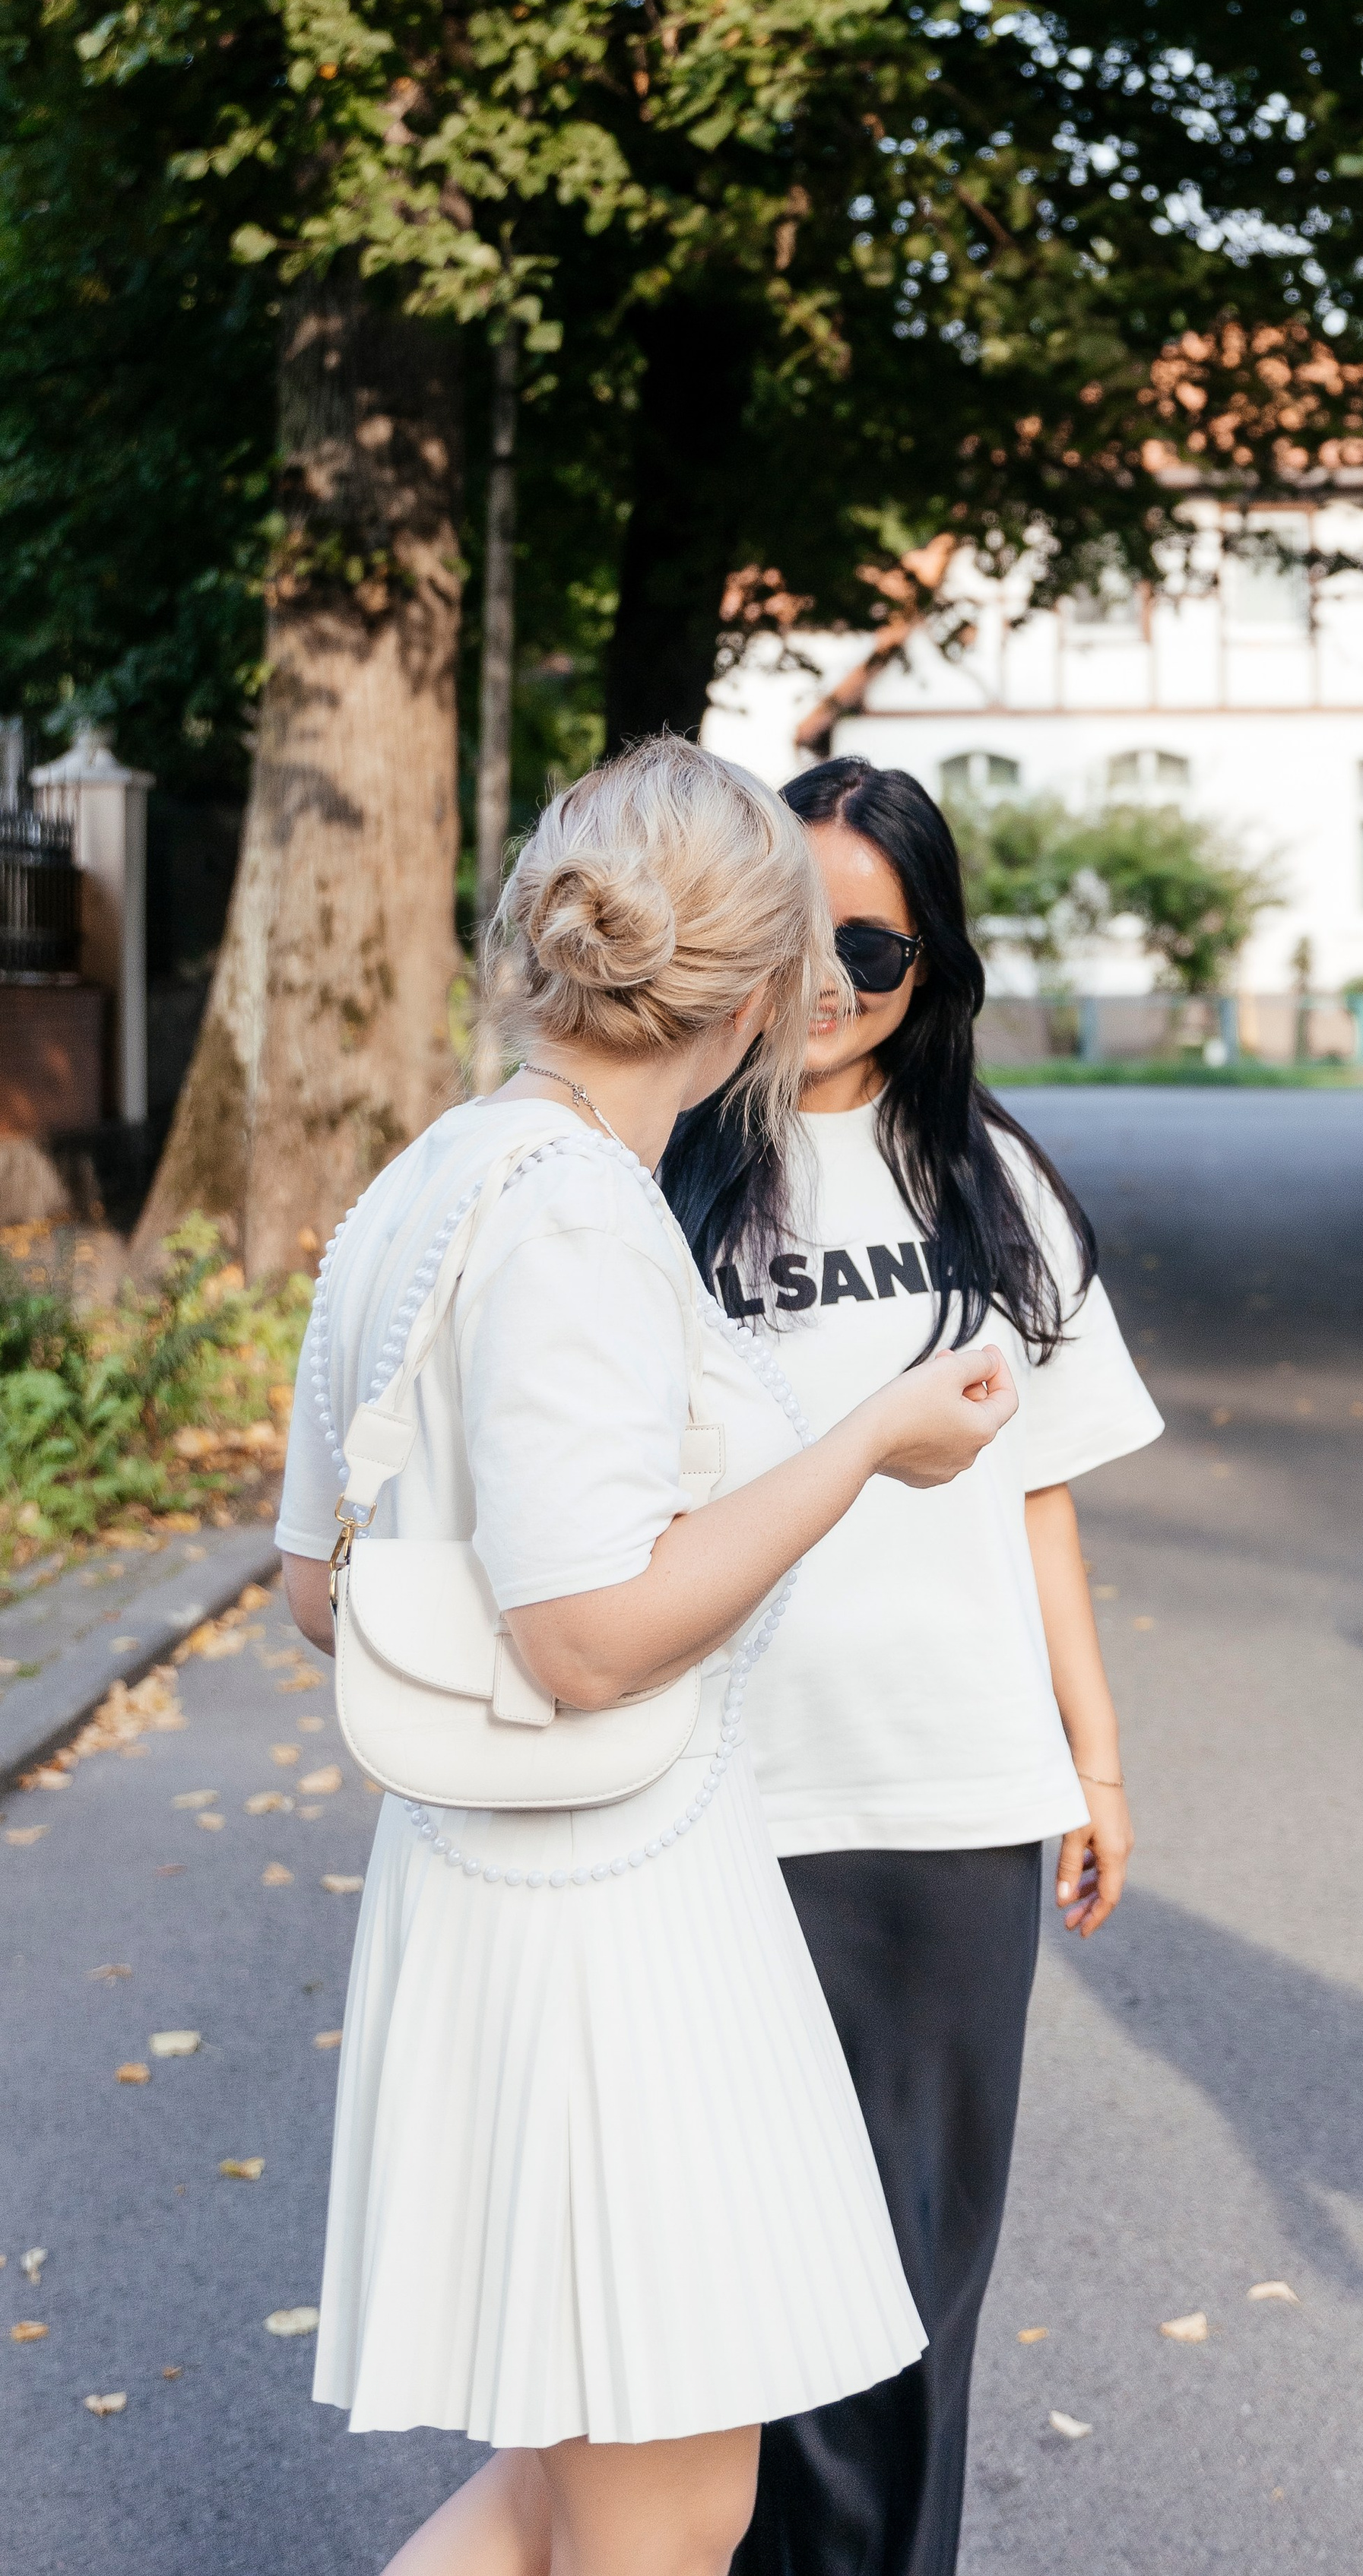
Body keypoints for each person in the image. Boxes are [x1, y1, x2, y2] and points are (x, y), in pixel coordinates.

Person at [276, 737, 1022, 2576]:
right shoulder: (580, 1217)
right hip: (614, 1931)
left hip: (491, 1902)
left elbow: (317, 1583)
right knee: (665, 2514)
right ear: (762, 986)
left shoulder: (422, 1187)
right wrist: (859, 1446)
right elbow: (589, 1633)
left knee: (566, 2495)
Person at [662, 756, 1162, 2576]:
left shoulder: (985, 1174)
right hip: (708, 1794)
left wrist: (1091, 1766)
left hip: (947, 1798)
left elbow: (1035, 1498)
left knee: (909, 2295)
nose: (820, 980)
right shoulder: (649, 1168)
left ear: (931, 965)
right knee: (724, 2292)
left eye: (866, 943)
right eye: (787, 929)